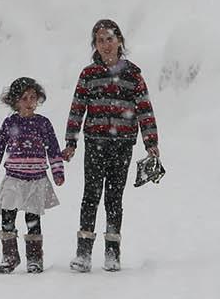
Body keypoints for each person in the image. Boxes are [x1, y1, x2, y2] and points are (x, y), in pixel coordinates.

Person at [61, 19, 159, 272]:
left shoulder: (132, 75)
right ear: (94, 44)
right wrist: (71, 141)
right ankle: (83, 253)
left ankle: (112, 252)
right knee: (90, 195)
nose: (105, 44)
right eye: (100, 40)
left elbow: (145, 109)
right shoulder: (88, 75)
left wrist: (151, 142)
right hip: (95, 143)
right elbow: (77, 109)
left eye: (110, 39)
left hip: (123, 144)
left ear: (120, 41)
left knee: (114, 197)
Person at [0, 76, 66, 273]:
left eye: (33, 98)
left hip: (36, 180)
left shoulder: (43, 124)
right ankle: (10, 256)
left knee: (33, 219)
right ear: (15, 102)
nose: (29, 103)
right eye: (24, 98)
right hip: (13, 179)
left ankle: (35, 258)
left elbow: (53, 150)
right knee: (7, 215)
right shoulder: (9, 123)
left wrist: (57, 172)